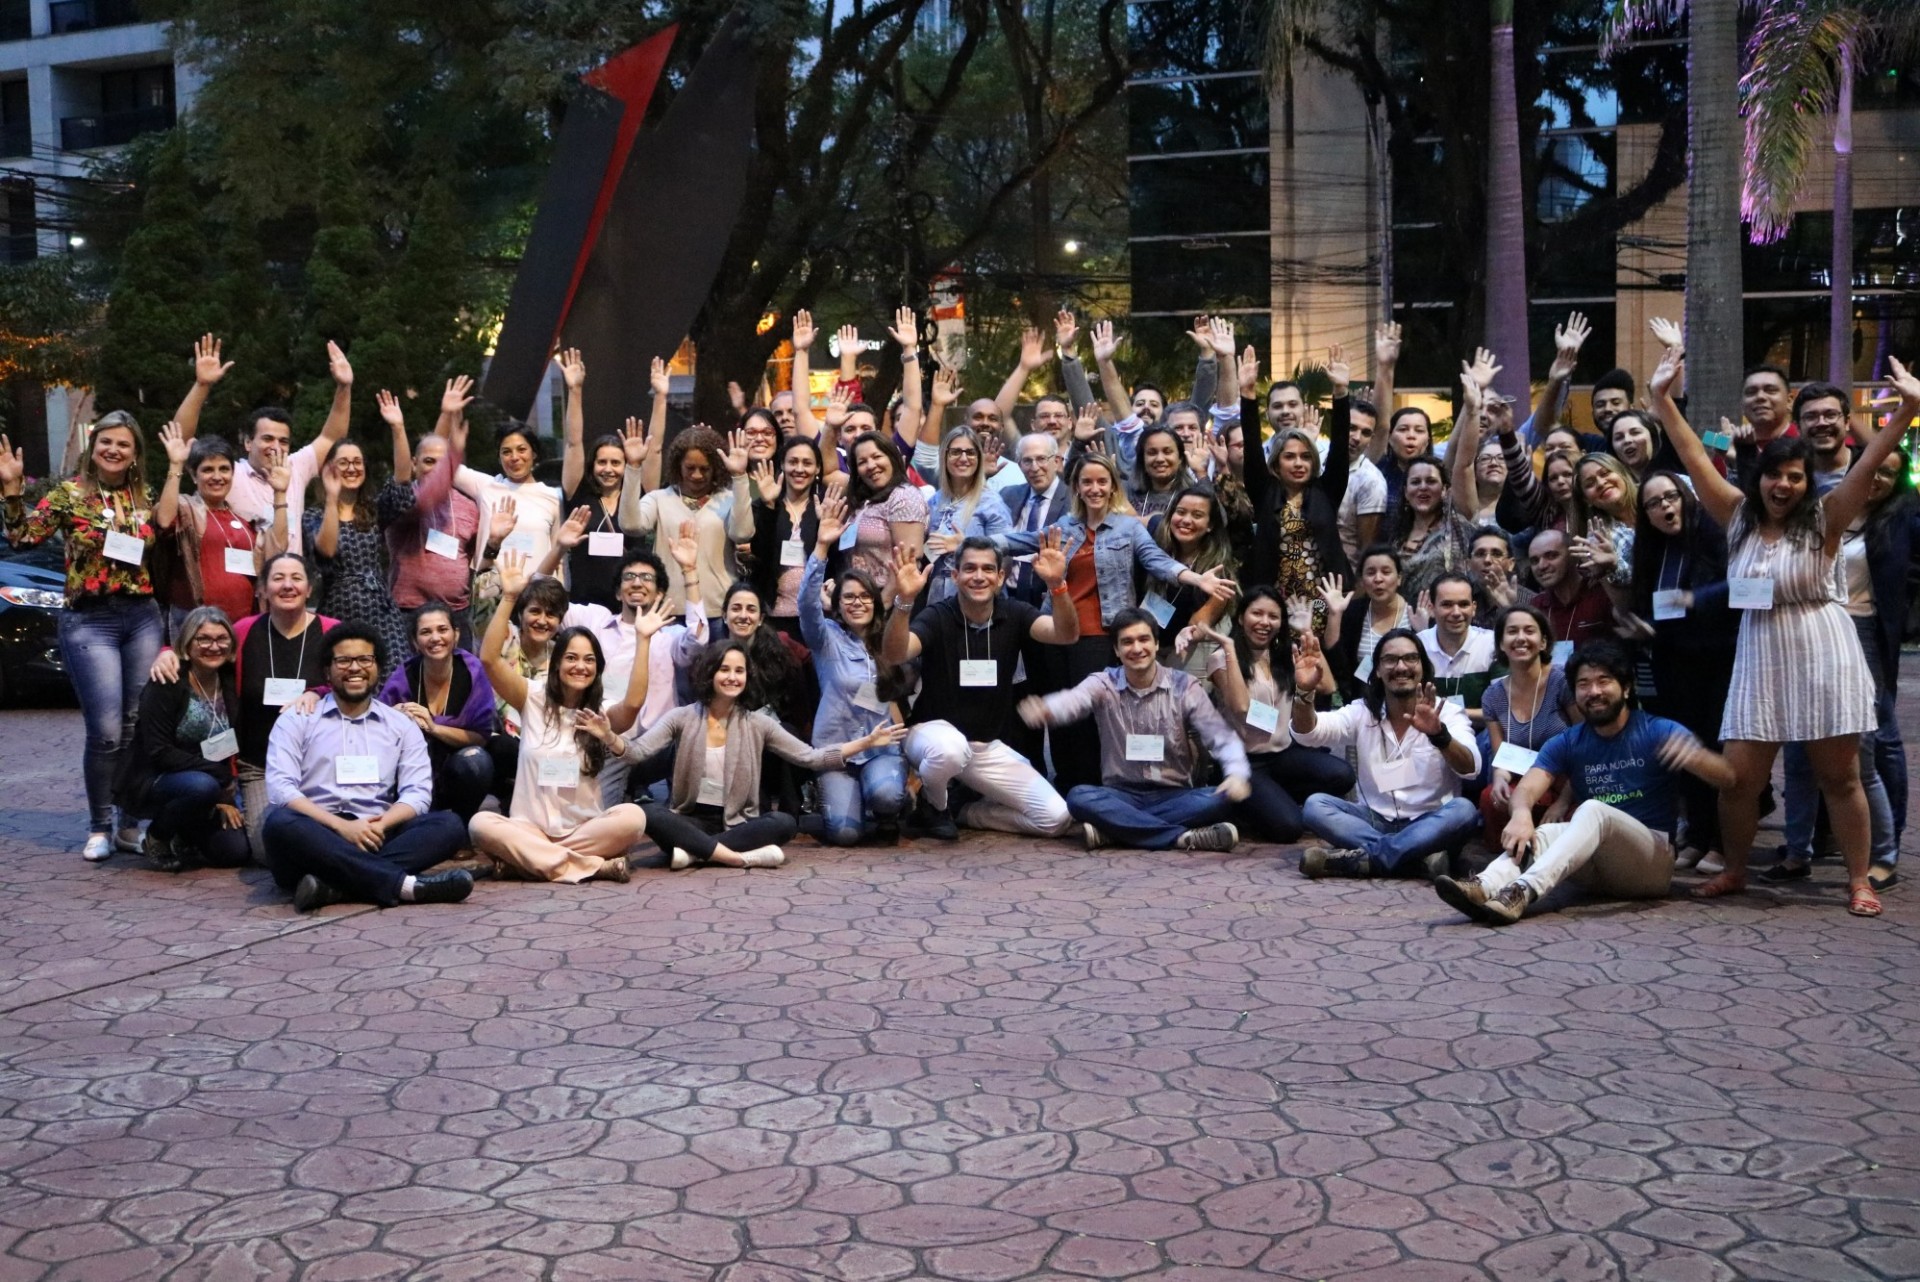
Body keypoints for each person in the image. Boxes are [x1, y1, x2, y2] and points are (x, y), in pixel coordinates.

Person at [1645, 337, 1917, 916]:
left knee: (1840, 778)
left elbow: (1869, 463)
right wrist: (1661, 400)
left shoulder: (1827, 517)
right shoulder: (1738, 518)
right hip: (1760, 653)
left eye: (1794, 476)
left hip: (1824, 649)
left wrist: (1908, 411)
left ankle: (1859, 882)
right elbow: (1694, 457)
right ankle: (1737, 870)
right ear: (1759, 479)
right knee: (1741, 780)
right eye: (1774, 477)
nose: (1783, 486)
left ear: (1804, 480)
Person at [1434, 642, 1739, 925]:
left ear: (1627, 688)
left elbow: (1729, 778)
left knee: (1594, 810)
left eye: (1603, 681)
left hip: (1651, 865)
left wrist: (1697, 758)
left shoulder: (1657, 730)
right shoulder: (1568, 741)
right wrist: (1522, 814)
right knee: (1544, 832)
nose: (1593, 691)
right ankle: (1484, 885)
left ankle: (1522, 891)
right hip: (1596, 867)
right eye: (1583, 684)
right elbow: (1527, 788)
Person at [1004, 451, 1235, 793]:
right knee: (1061, 714)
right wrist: (963, 541)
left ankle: (1093, 789)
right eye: (1087, 482)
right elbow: (1015, 541)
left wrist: (1194, 578)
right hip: (1056, 630)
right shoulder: (1063, 527)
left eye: (1102, 481)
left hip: (1100, 634)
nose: (1095, 488)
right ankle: (1066, 789)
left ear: (1113, 486)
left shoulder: (1128, 529)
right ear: (1076, 488)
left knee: (1090, 717)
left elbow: (1158, 562)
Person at [2, 412, 177, 859]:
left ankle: (129, 824)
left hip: (140, 616)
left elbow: (166, 530)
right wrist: (11, 490)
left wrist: (177, 465)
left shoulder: (145, 496)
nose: (114, 450)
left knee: (137, 724)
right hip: (89, 619)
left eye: (124, 444)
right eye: (106, 442)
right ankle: (99, 825)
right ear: (92, 446)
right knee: (105, 730)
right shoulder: (69, 494)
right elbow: (22, 539)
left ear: (135, 453)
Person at [471, 555, 669, 884]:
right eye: (572, 658)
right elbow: (490, 659)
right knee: (480, 825)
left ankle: (531, 863)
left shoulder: (598, 713)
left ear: (597, 669)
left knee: (633, 817)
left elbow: (633, 703)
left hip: (583, 831)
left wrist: (643, 640)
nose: (580, 666)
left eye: (589, 660)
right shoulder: (531, 697)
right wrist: (508, 597)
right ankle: (591, 866)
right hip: (529, 828)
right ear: (558, 663)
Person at [628, 636, 904, 868]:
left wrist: (865, 743)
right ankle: (734, 858)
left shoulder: (758, 723)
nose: (732, 677)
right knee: (648, 812)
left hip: (736, 825)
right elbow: (638, 752)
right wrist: (608, 736)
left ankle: (694, 853)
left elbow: (810, 757)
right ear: (710, 672)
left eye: (739, 671)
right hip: (689, 820)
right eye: (724, 670)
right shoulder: (682, 717)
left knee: (783, 823)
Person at [262, 623, 472, 911]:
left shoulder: (400, 725)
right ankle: (405, 886)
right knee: (278, 823)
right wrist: (342, 827)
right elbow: (281, 789)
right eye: (344, 661)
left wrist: (381, 825)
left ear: (378, 668)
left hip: (376, 833)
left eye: (365, 660)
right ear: (327, 671)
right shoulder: (297, 720)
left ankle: (334, 887)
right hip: (317, 833)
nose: (355, 668)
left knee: (449, 825)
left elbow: (418, 793)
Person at [885, 535, 1079, 838]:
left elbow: (1065, 635)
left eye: (988, 569)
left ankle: (964, 811)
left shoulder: (1015, 612)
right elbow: (896, 653)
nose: (979, 576)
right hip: (931, 736)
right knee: (950, 749)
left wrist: (1058, 586)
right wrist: (903, 601)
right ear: (955, 576)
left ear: (1000, 577)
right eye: (970, 569)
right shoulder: (939, 615)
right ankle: (932, 804)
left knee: (1056, 817)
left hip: (984, 747)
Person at [1018, 608, 1248, 851]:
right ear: (1117, 651)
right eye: (1127, 642)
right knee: (1079, 797)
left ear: (1157, 644)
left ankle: (1116, 832)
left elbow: (1219, 735)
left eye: (1143, 639)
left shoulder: (1184, 686)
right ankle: (1182, 838)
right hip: (1119, 795)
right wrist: (1048, 709)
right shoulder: (1103, 683)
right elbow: (1074, 700)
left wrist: (1237, 773)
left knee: (1221, 799)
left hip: (1175, 796)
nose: (1136, 648)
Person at [1290, 628, 1481, 880]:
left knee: (1464, 810)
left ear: (1422, 667)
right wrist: (1304, 692)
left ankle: (1364, 859)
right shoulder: (1362, 712)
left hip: (1430, 821)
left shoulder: (1447, 713)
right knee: (1315, 806)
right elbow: (1308, 732)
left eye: (1410, 658)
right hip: (1373, 820)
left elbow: (1471, 768)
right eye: (1390, 660)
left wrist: (1440, 736)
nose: (1401, 667)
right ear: (1378, 670)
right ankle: (1414, 858)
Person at [1629, 469, 1739, 870]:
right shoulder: (1652, 548)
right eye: (1654, 504)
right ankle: (1696, 835)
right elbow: (1652, 603)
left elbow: (1741, 586)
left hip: (1716, 658)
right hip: (1671, 661)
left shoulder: (1712, 534)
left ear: (1686, 497)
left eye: (1670, 497)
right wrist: (1643, 626)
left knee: (1713, 748)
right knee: (1683, 748)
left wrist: (1695, 599)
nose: (1664, 508)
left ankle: (1722, 844)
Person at [171, 337, 354, 553]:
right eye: (267, 439)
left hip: (288, 580)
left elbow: (331, 439)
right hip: (243, 581)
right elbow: (180, 439)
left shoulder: (295, 467)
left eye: (283, 441)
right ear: (248, 442)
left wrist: (344, 387)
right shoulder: (229, 474)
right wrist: (202, 386)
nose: (276, 446)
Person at [1198, 588, 1353, 842]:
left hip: (1283, 755)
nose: (1264, 622)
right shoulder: (1221, 658)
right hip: (1244, 762)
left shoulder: (1284, 655)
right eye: (1256, 614)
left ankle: (1271, 800)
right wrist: (1228, 648)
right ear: (1240, 618)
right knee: (1288, 828)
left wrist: (1306, 632)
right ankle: (1243, 804)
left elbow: (1327, 687)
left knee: (1342, 774)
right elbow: (1241, 707)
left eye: (1273, 616)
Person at [801, 496, 913, 845]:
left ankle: (888, 808)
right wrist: (822, 546)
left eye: (864, 596)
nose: (857, 602)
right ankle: (833, 802)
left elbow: (893, 698)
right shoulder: (827, 640)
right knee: (846, 834)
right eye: (848, 597)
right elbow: (806, 604)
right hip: (837, 749)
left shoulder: (889, 640)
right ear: (837, 604)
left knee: (887, 796)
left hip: (881, 749)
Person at [114, 605, 252, 872]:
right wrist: (221, 783)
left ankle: (185, 832)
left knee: (235, 853)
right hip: (160, 777)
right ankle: (158, 835)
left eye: (222, 639)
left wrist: (223, 793)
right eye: (204, 639)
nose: (214, 646)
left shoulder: (228, 680)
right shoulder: (167, 681)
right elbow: (159, 751)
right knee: (200, 787)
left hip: (208, 782)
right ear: (188, 643)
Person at [379, 381, 485, 646]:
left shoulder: (469, 504)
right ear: (414, 464)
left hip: (456, 615)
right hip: (409, 612)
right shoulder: (405, 499)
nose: (435, 468)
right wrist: (450, 439)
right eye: (427, 461)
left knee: (459, 684)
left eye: (441, 462)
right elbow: (428, 497)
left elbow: (473, 556)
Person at [377, 603, 496, 822]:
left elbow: (480, 737)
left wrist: (434, 727)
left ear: (456, 634)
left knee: (477, 761)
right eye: (425, 632)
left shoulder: (472, 671)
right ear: (415, 642)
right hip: (413, 767)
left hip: (457, 765)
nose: (435, 638)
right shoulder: (405, 674)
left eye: (442, 630)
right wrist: (394, 715)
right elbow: (377, 726)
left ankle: (463, 823)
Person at [1477, 603, 1577, 846]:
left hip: (1568, 782)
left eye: (1529, 631)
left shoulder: (1563, 682)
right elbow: (1500, 755)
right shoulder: (1493, 695)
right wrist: (1499, 778)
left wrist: (1562, 801)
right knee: (1491, 796)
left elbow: (1587, 746)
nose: (1520, 638)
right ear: (1501, 643)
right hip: (1523, 782)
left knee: (1576, 818)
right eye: (1512, 632)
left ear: (1543, 642)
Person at [306, 440, 409, 662]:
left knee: (393, 670)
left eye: (357, 462)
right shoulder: (314, 515)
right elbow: (326, 549)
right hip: (338, 608)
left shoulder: (373, 509)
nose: (352, 468)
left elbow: (401, 483)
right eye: (343, 462)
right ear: (329, 468)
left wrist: (397, 428)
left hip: (380, 610)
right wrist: (332, 499)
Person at [167, 434, 281, 633]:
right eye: (208, 470)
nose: (217, 477)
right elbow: (163, 522)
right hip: (195, 624)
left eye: (224, 469)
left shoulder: (245, 520)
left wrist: (281, 493)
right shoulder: (184, 511)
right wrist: (175, 466)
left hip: (245, 623)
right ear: (194, 475)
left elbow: (278, 548)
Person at [745, 435, 825, 639]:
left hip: (818, 614)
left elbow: (834, 560)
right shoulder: (763, 505)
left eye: (807, 463)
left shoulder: (826, 506)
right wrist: (769, 507)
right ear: (782, 465)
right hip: (773, 613)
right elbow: (760, 554)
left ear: (817, 469)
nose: (799, 469)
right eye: (793, 462)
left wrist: (824, 523)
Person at [833, 430, 928, 601]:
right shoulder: (862, 500)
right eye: (862, 462)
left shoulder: (904, 496)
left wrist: (882, 606)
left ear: (892, 457)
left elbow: (907, 564)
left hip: (891, 601)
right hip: (862, 599)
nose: (870, 465)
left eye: (877, 457)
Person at [923, 426, 1013, 605]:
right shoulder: (935, 500)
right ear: (945, 456)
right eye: (956, 452)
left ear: (978, 459)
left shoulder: (991, 502)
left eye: (970, 453)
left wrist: (964, 546)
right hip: (937, 595)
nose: (963, 458)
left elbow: (1006, 558)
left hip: (977, 597)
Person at [1324, 546, 1416, 700]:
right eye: (1370, 573)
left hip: (1408, 700)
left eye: (1386, 572)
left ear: (1399, 578)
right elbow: (1337, 661)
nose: (1378, 579)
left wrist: (1425, 629)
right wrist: (1335, 614)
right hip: (1363, 702)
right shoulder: (1353, 612)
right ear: (1361, 581)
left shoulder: (1416, 612)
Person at [1387, 456, 1475, 601]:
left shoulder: (1459, 529)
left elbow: (1465, 461)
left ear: (1444, 489)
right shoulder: (1396, 535)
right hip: (1403, 617)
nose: (1423, 487)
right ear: (1405, 492)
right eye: (1415, 482)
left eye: (1431, 481)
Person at [999, 431, 1070, 604]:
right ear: (1019, 465)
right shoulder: (1008, 495)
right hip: (1007, 596)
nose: (1035, 467)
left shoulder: (1074, 498)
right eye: (1027, 461)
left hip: (1049, 596)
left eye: (1041, 459)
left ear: (1057, 461)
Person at [1416, 572, 1497, 721]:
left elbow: (1504, 712)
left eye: (1463, 604)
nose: (1456, 612)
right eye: (1447, 604)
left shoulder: (1493, 644)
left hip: (1482, 735)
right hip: (1427, 734)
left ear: (1473, 608)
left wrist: (1451, 714)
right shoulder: (1416, 646)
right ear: (1432, 608)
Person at [1527, 528, 1614, 650]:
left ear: (1573, 556)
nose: (1541, 566)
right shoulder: (1536, 606)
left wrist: (1612, 568)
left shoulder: (1602, 593)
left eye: (1551, 556)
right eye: (1534, 561)